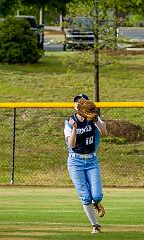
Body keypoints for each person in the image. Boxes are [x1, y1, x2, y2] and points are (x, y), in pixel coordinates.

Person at [64, 94, 108, 234]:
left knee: (97, 196)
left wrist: (95, 120)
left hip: (91, 160)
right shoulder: (70, 121)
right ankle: (95, 226)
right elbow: (71, 144)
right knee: (85, 196)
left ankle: (97, 203)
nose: (78, 103)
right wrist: (75, 129)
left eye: (81, 101)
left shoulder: (93, 118)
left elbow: (105, 133)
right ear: (74, 105)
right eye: (76, 102)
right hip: (75, 161)